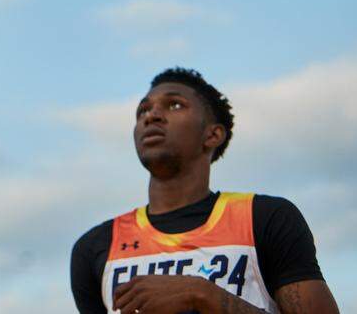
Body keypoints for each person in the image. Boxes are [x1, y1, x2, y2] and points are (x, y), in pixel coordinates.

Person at [70, 67, 339, 314]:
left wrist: (203, 294)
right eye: (142, 111)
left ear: (213, 135)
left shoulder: (265, 218)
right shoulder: (96, 247)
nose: (151, 116)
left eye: (174, 105)